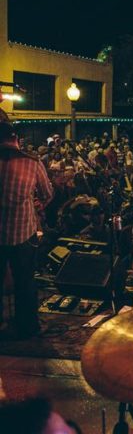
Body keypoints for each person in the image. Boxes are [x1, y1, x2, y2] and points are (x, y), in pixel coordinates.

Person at [0, 123, 54, 340]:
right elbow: (47, 193)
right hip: (22, 233)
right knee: (25, 281)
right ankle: (28, 327)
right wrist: (36, 205)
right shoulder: (31, 162)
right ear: (16, 139)